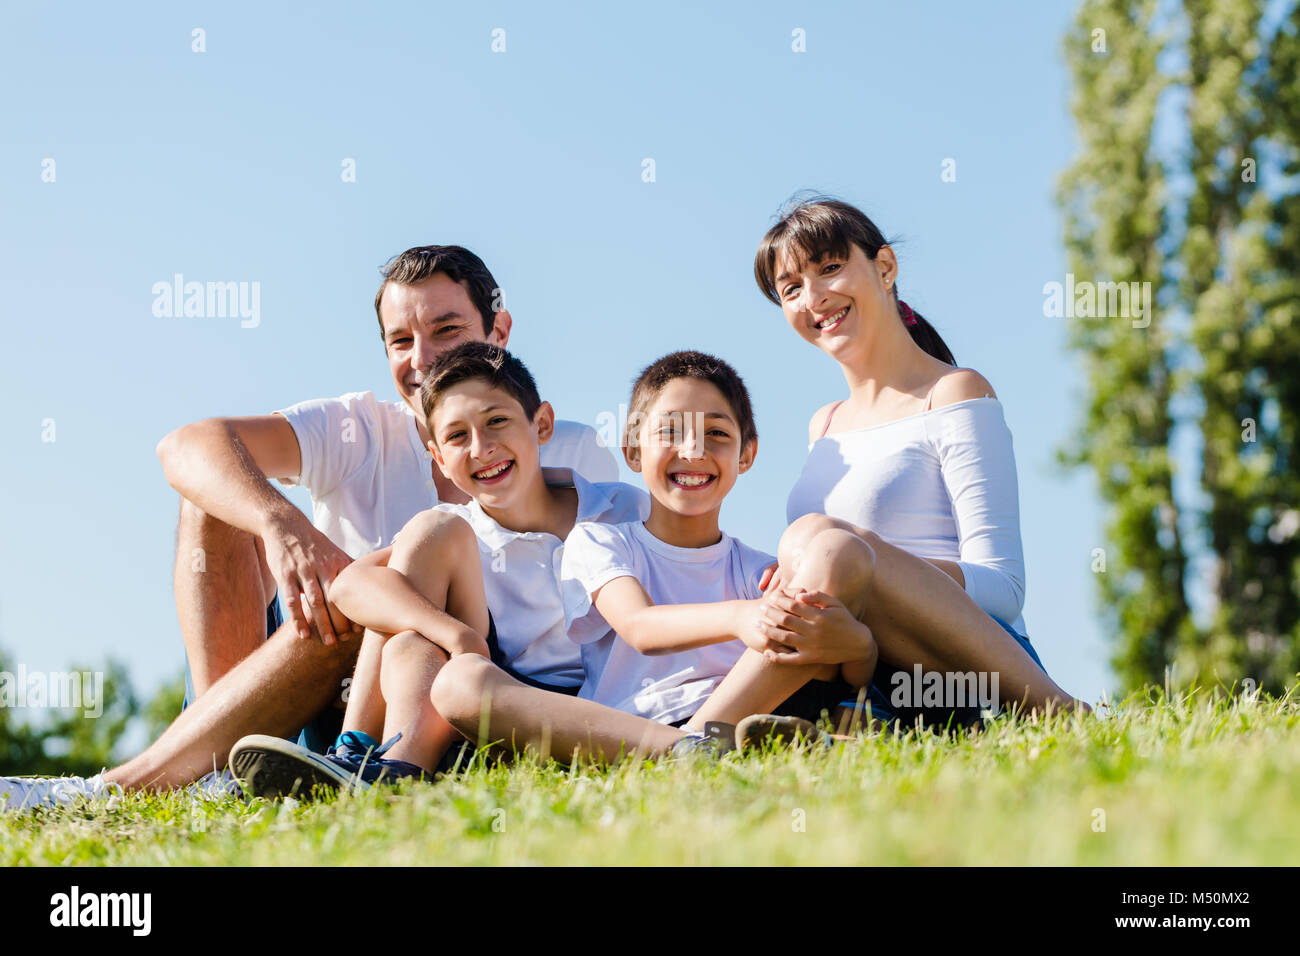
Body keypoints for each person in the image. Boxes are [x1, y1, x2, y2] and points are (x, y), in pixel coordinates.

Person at [0, 247, 617, 810]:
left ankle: (121, 788)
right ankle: (217, 768)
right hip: (317, 681)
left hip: (453, 682)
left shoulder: (566, 452)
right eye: (400, 340)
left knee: (383, 599)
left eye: (446, 330)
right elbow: (187, 445)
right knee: (219, 498)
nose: (422, 359)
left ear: (499, 332)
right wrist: (282, 524)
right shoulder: (360, 427)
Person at [227, 343, 650, 796]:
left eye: (497, 422)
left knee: (423, 598)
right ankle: (368, 758)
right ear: (439, 457)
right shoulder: (458, 530)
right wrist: (455, 635)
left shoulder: (622, 508)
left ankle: (382, 770)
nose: (481, 449)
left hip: (600, 705)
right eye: (457, 437)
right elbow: (349, 585)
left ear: (542, 424)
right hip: (493, 696)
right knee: (411, 629)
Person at [749, 195, 1085, 725]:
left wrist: (864, 567)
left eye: (830, 268)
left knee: (828, 541)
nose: (812, 297)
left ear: (885, 267)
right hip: (862, 663)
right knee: (812, 545)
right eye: (790, 288)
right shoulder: (824, 426)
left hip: (969, 664)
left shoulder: (954, 394)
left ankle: (695, 738)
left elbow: (1004, 589)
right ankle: (830, 723)